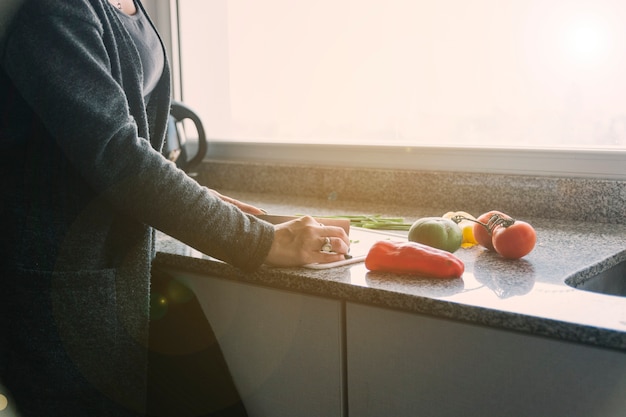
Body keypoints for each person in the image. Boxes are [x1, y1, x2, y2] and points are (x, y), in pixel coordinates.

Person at [0, 0, 350, 416]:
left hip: (122, 271)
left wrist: (201, 198)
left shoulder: (127, 4)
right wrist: (259, 239)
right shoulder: (55, 14)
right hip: (65, 284)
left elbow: (136, 142)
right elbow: (117, 155)